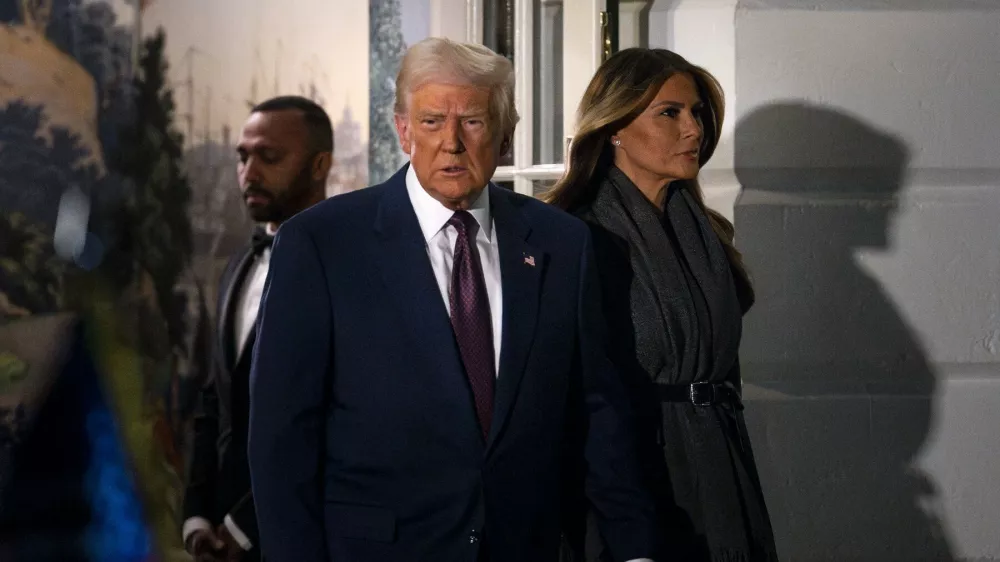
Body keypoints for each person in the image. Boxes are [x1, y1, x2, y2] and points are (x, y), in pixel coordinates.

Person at [248, 37, 660, 562]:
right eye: (431, 121)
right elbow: (281, 440)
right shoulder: (322, 243)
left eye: (472, 121)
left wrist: (635, 549)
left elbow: (598, 411)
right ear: (402, 131)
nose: (452, 143)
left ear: (506, 134)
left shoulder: (561, 243)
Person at [546, 48, 779, 562]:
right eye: (668, 113)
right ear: (613, 126)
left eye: (696, 113)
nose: (693, 130)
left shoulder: (705, 233)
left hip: (720, 464)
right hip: (630, 468)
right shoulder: (576, 236)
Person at [183, 95, 333, 562]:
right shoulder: (238, 264)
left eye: (269, 157)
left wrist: (243, 527)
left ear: (319, 165)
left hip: (304, 536)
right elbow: (216, 401)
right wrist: (197, 514)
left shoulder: (347, 271)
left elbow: (336, 424)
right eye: (243, 157)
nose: (249, 171)